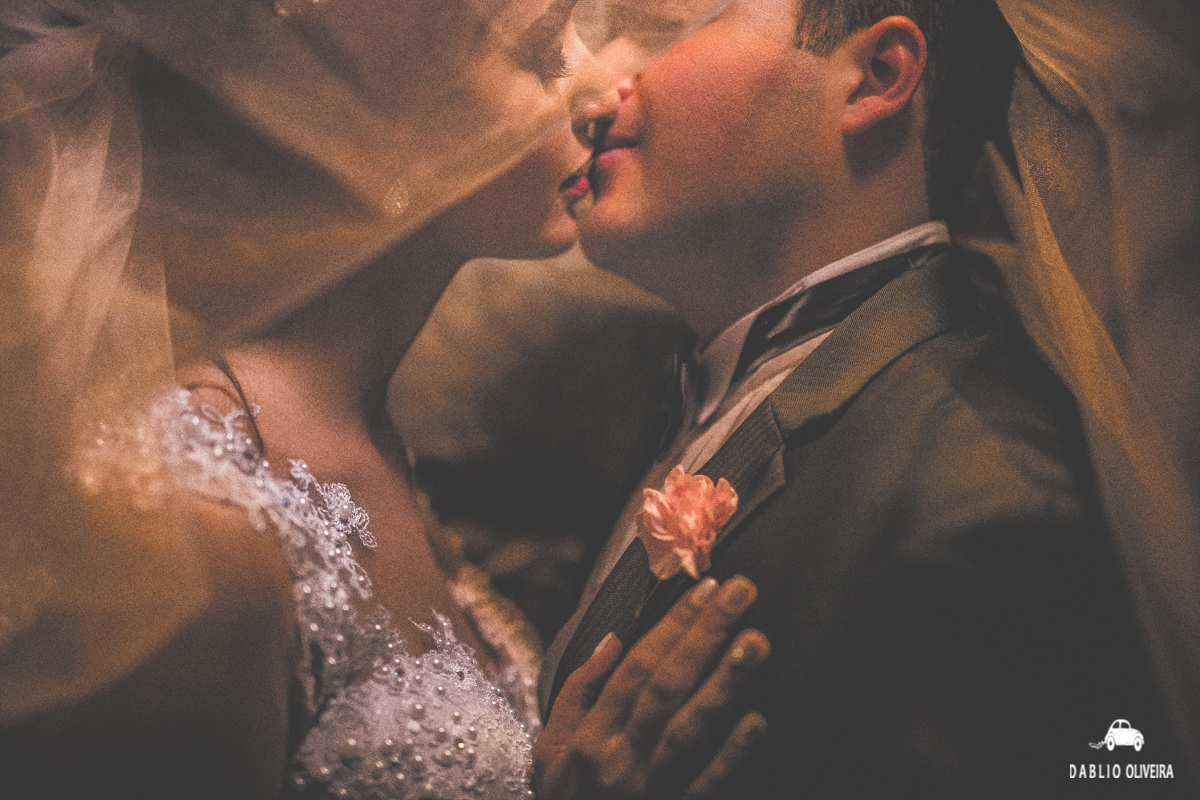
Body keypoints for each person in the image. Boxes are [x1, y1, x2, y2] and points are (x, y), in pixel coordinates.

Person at [0, 0, 770, 797]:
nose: (605, 92)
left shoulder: (363, 431)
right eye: (542, 53)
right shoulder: (199, 536)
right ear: (347, 117)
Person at [540, 0, 1199, 795]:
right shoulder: (674, 388)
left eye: (672, 22)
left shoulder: (982, 513)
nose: (596, 87)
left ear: (876, 77)